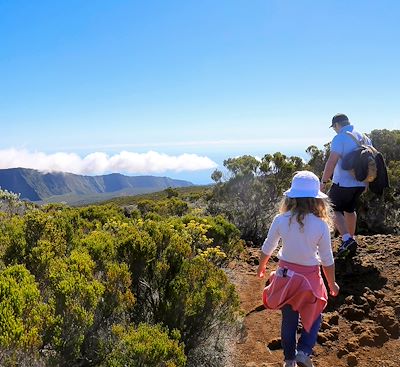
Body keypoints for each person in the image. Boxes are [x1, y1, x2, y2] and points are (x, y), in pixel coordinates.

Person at [257, 170, 339, 367]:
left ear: (291, 197)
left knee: (289, 320)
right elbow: (327, 259)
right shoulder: (320, 225)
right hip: (310, 279)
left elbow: (268, 246)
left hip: (285, 277)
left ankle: (289, 360)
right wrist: (332, 283)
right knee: (313, 317)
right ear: (316, 200)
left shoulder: (280, 219)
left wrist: (262, 265)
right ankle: (303, 351)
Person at [320, 113, 371, 258]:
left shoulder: (340, 137)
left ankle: (347, 239)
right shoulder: (364, 137)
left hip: (343, 183)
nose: (334, 130)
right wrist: (366, 181)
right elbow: (369, 160)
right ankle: (351, 238)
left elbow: (331, 161)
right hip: (360, 183)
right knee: (349, 209)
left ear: (337, 125)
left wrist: (323, 181)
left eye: (334, 128)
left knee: (331, 209)